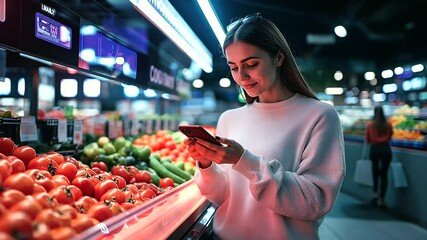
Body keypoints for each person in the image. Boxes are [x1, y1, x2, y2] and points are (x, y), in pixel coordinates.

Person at [183, 13, 345, 240]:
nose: (242, 76)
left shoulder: (319, 116)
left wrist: (244, 161)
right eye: (234, 67)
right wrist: (206, 163)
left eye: (251, 64)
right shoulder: (229, 118)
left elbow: (315, 202)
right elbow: (223, 197)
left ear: (279, 58)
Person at [365, 105, 393, 208]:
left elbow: (368, 139)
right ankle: (382, 198)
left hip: (375, 150)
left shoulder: (371, 125)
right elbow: (390, 137)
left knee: (375, 172)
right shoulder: (388, 124)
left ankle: (375, 194)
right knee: (384, 174)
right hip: (386, 149)